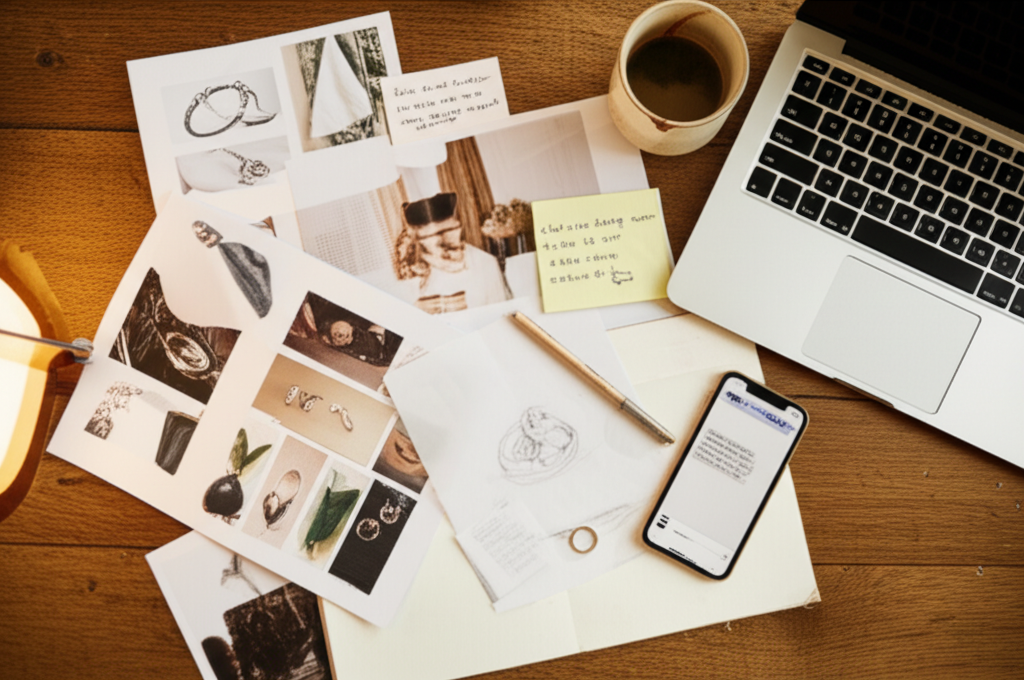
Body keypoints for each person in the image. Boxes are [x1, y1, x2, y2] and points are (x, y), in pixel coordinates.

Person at [394, 192, 509, 313]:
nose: (444, 241)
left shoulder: (484, 262)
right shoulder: (412, 268)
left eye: (450, 230)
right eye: (432, 236)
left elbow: (502, 312)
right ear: (419, 238)